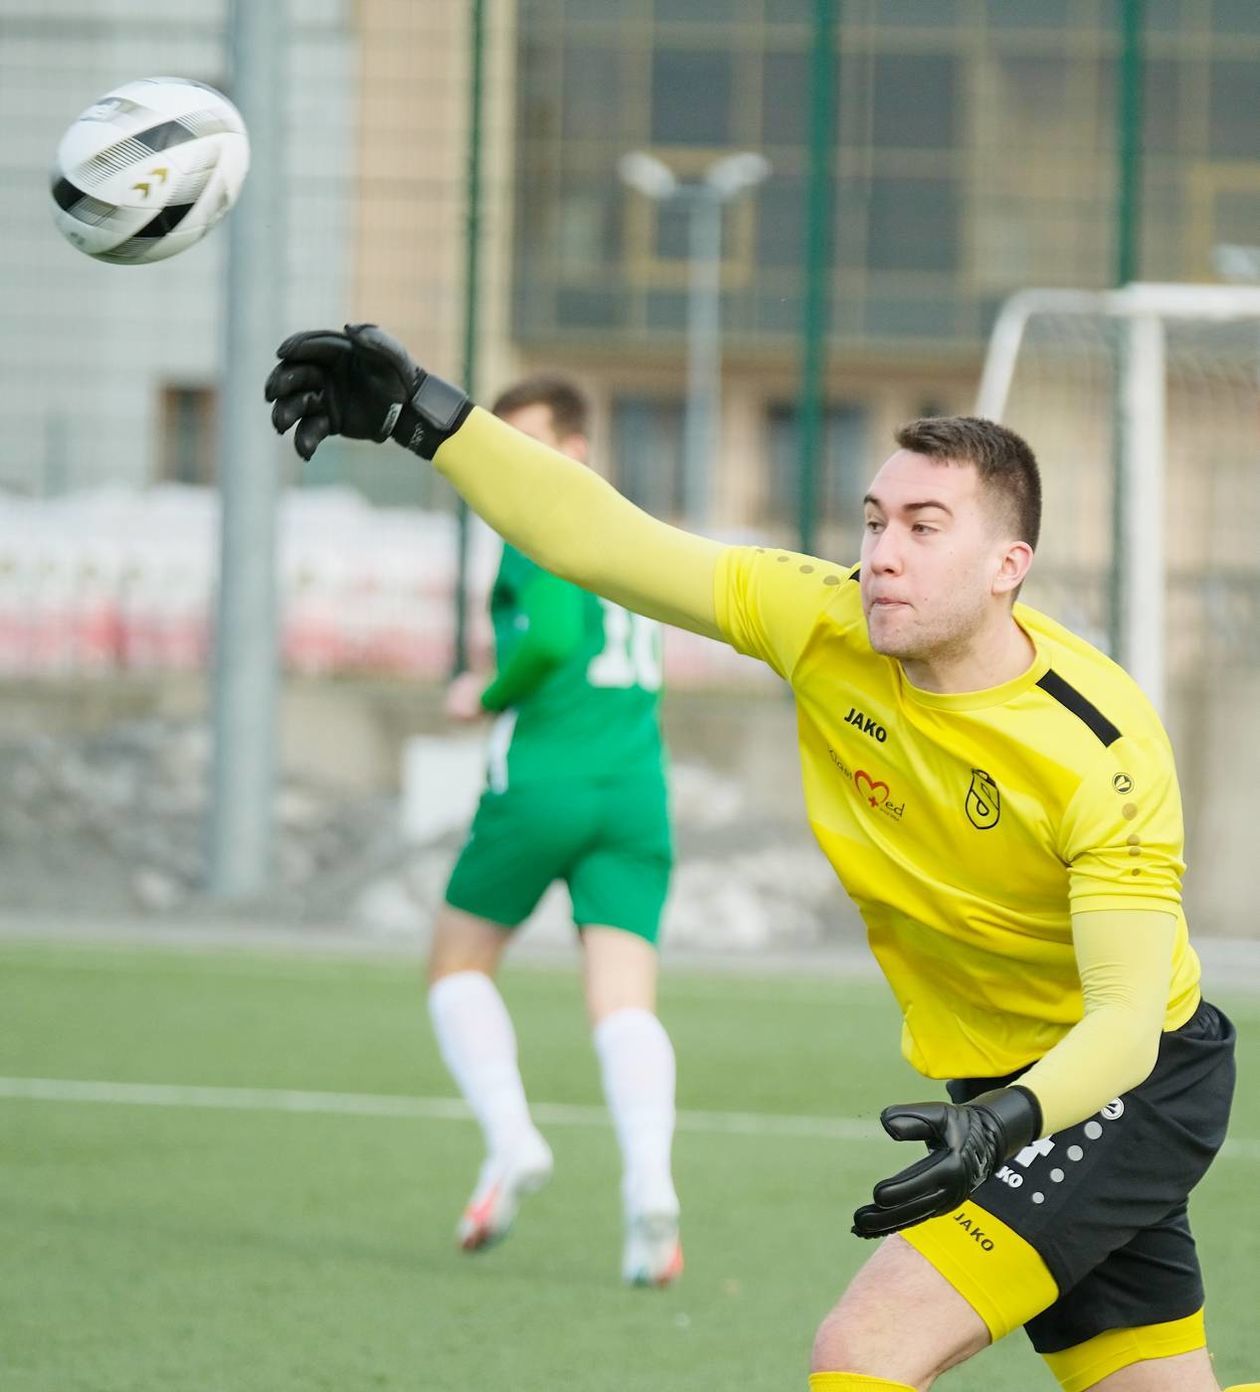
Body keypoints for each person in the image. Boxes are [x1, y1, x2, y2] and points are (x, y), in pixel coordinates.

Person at [265, 326, 1248, 1392]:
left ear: (1010, 565)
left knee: (864, 1352)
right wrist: (434, 421)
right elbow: (608, 541)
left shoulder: (1103, 751)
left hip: (1116, 1087)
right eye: (875, 522)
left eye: (925, 527)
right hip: (994, 1084)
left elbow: (1124, 1024)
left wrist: (1002, 1121)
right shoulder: (823, 621)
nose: (883, 553)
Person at [425, 373, 682, 1287]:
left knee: (456, 965)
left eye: (528, 441)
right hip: (636, 789)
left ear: (574, 450)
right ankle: (651, 1184)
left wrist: (481, 695)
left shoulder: (543, 522)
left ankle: (510, 1142)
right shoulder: (630, 523)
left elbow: (547, 636)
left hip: (545, 781)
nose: (512, 462)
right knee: (623, 1001)